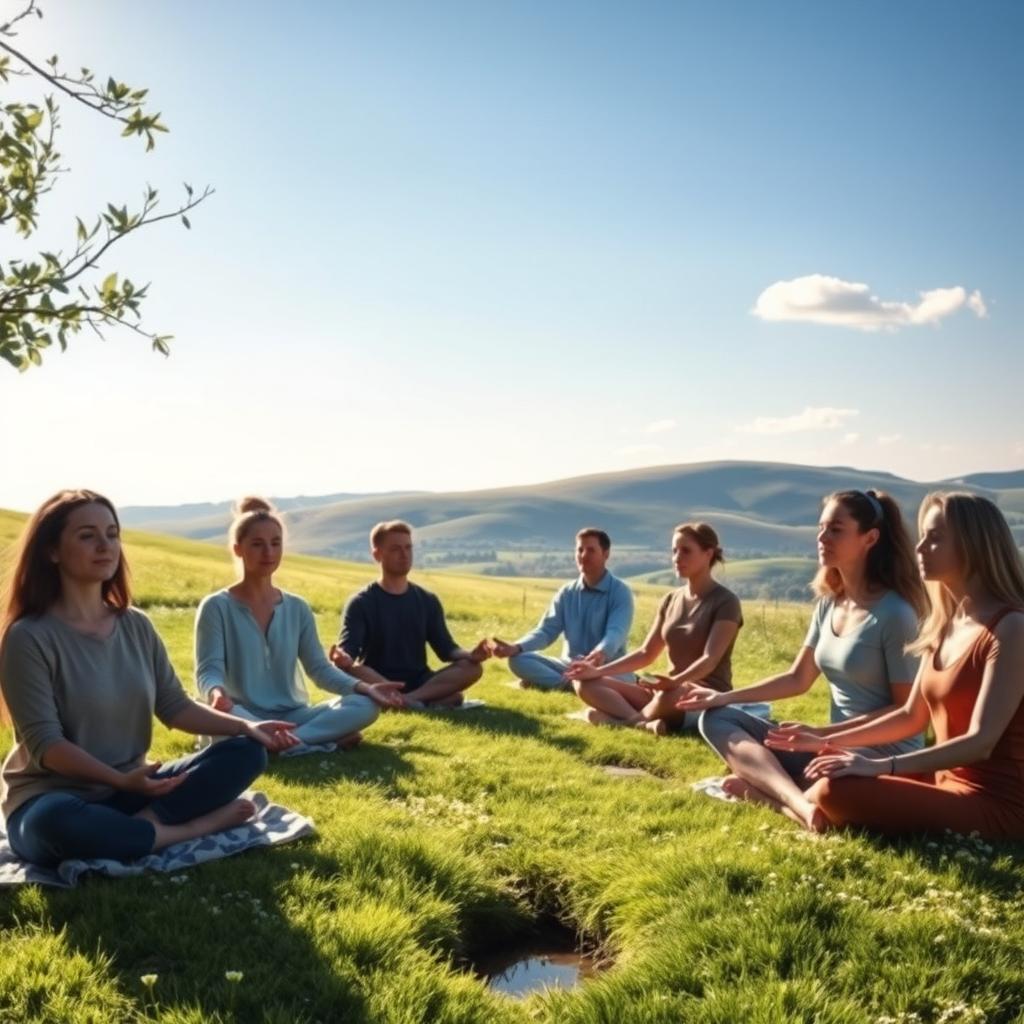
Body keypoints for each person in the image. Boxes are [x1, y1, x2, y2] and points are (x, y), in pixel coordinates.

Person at [0, 490, 298, 869]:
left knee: (246, 751)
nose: (105, 546)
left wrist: (247, 724)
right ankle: (190, 829)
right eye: (87, 535)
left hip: (131, 789)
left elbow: (174, 707)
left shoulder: (135, 625)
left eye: (112, 533)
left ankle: (139, 830)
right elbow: (48, 746)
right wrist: (122, 781)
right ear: (52, 551)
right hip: (50, 797)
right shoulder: (29, 637)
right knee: (54, 824)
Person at [680, 489, 927, 829]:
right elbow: (798, 678)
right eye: (821, 527)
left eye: (836, 529)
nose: (821, 537)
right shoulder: (829, 604)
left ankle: (770, 792)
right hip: (825, 745)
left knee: (830, 786)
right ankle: (801, 804)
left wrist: (823, 736)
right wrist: (724, 697)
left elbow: (906, 711)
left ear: (870, 538)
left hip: (877, 754)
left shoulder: (895, 614)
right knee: (716, 718)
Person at [782, 493, 1024, 837]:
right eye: (922, 536)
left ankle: (781, 800)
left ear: (974, 545)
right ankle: (788, 798)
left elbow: (981, 741)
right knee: (834, 776)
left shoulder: (1011, 626)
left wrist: (881, 765)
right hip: (945, 784)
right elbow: (911, 717)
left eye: (935, 538)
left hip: (999, 804)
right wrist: (821, 738)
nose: (920, 547)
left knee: (832, 791)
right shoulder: (944, 624)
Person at [195, 498, 403, 754]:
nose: (268, 553)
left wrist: (366, 687)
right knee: (223, 720)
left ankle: (285, 743)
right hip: (241, 713)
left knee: (365, 705)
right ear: (238, 549)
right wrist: (216, 693)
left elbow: (319, 669)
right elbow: (208, 671)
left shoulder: (297, 608)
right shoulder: (216, 606)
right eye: (257, 545)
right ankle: (309, 740)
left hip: (294, 715)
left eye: (275, 543)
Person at [565, 523, 742, 733]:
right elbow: (646, 653)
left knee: (672, 694)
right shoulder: (670, 599)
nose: (677, 558)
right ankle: (640, 722)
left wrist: (674, 682)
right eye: (674, 551)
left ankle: (625, 722)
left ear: (708, 553)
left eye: (686, 551)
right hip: (665, 692)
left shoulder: (726, 602)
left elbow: (710, 659)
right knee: (585, 682)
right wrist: (597, 671)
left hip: (702, 696)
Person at [331, 521, 490, 709]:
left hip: (420, 681)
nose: (404, 555)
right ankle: (416, 701)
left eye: (408, 548)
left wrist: (471, 655)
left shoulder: (427, 600)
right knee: (352, 669)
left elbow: (447, 650)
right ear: (377, 555)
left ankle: (407, 700)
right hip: (378, 680)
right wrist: (342, 658)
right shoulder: (361, 602)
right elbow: (348, 651)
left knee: (471, 668)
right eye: (396, 549)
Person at [490, 528, 634, 691]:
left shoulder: (620, 592)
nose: (583, 556)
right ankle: (571, 686)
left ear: (606, 554)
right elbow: (546, 631)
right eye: (580, 550)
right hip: (569, 666)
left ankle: (568, 684)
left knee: (620, 679)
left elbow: (616, 632)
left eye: (591, 550)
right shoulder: (567, 592)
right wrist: (516, 647)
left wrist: (600, 653)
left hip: (606, 668)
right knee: (518, 660)